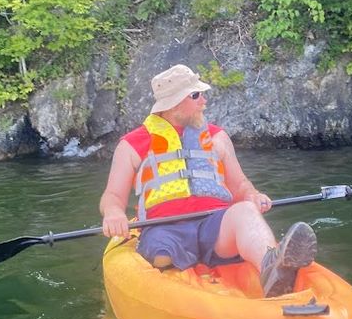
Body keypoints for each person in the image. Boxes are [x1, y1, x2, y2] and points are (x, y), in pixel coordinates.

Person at [99, 63, 317, 297]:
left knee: (244, 211)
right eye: (195, 95)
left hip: (215, 226)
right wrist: (113, 214)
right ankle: (172, 266)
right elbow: (112, 196)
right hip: (165, 228)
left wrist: (252, 195)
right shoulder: (132, 144)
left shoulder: (217, 137)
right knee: (161, 253)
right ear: (173, 105)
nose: (204, 100)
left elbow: (240, 185)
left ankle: (272, 268)